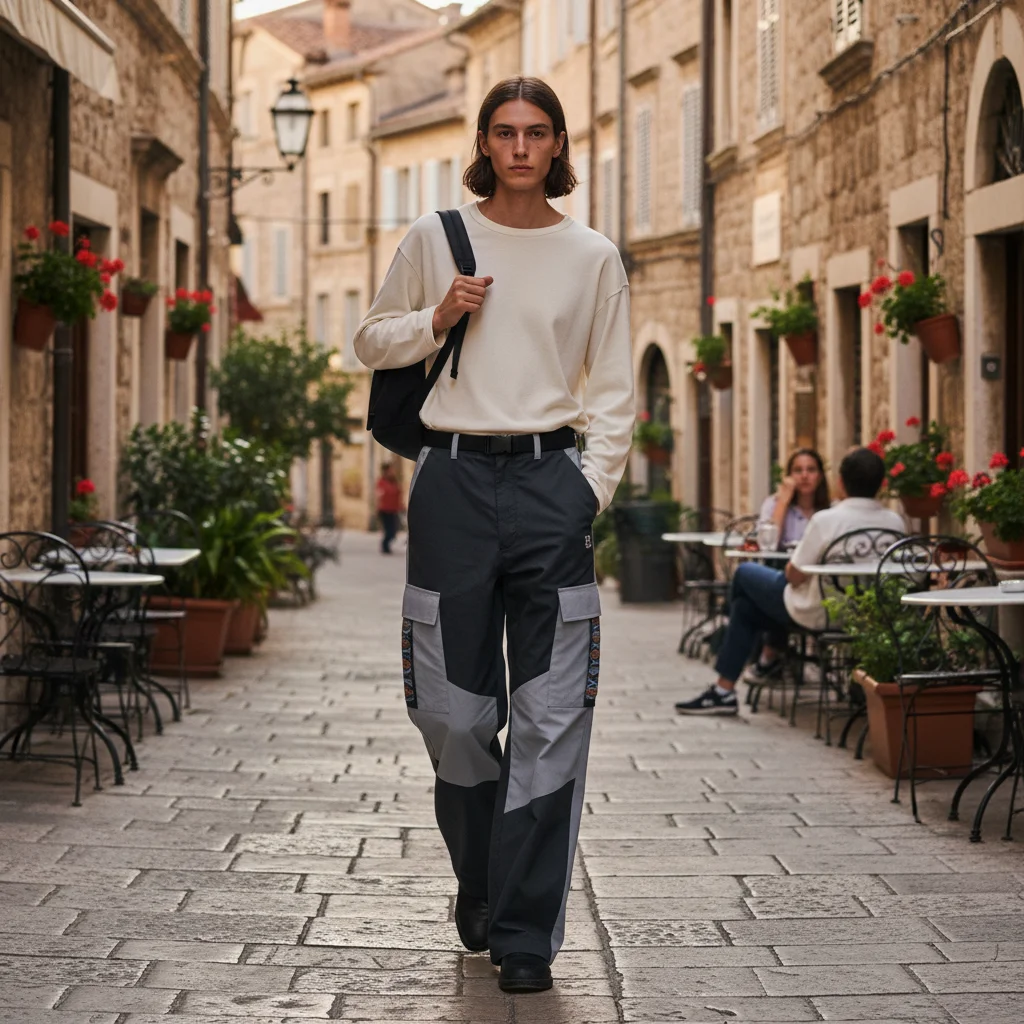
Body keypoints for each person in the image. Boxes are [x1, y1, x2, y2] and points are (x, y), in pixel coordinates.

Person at [353, 77, 633, 992]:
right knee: (452, 714)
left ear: (558, 146)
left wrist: (586, 490)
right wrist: (436, 318)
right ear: (484, 140)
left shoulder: (593, 254)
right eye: (505, 132)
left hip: (552, 485)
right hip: (452, 485)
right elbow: (370, 340)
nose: (520, 147)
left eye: (537, 133)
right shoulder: (438, 238)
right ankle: (479, 879)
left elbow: (617, 390)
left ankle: (521, 936)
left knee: (552, 719)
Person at [676, 447, 904, 716]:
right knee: (745, 609)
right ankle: (726, 689)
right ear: (882, 483)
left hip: (819, 612)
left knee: (744, 575)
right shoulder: (895, 522)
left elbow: (793, 575)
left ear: (840, 482)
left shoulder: (826, 520)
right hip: (867, 615)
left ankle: (745, 666)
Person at [745, 448, 830, 684]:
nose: (804, 476)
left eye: (811, 470)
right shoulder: (773, 504)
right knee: (775, 572)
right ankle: (771, 652)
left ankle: (769, 655)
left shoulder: (829, 512)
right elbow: (767, 544)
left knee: (750, 595)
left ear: (820, 476)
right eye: (798, 470)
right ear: (789, 476)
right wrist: (783, 501)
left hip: (818, 585)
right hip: (789, 579)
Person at [375, 462, 403, 555]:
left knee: (394, 530)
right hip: (385, 510)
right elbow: (380, 494)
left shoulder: (394, 481)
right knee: (389, 530)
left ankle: (386, 546)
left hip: (394, 509)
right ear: (386, 471)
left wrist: (401, 506)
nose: (392, 472)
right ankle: (385, 546)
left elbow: (398, 494)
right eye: (390, 470)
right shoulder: (381, 482)